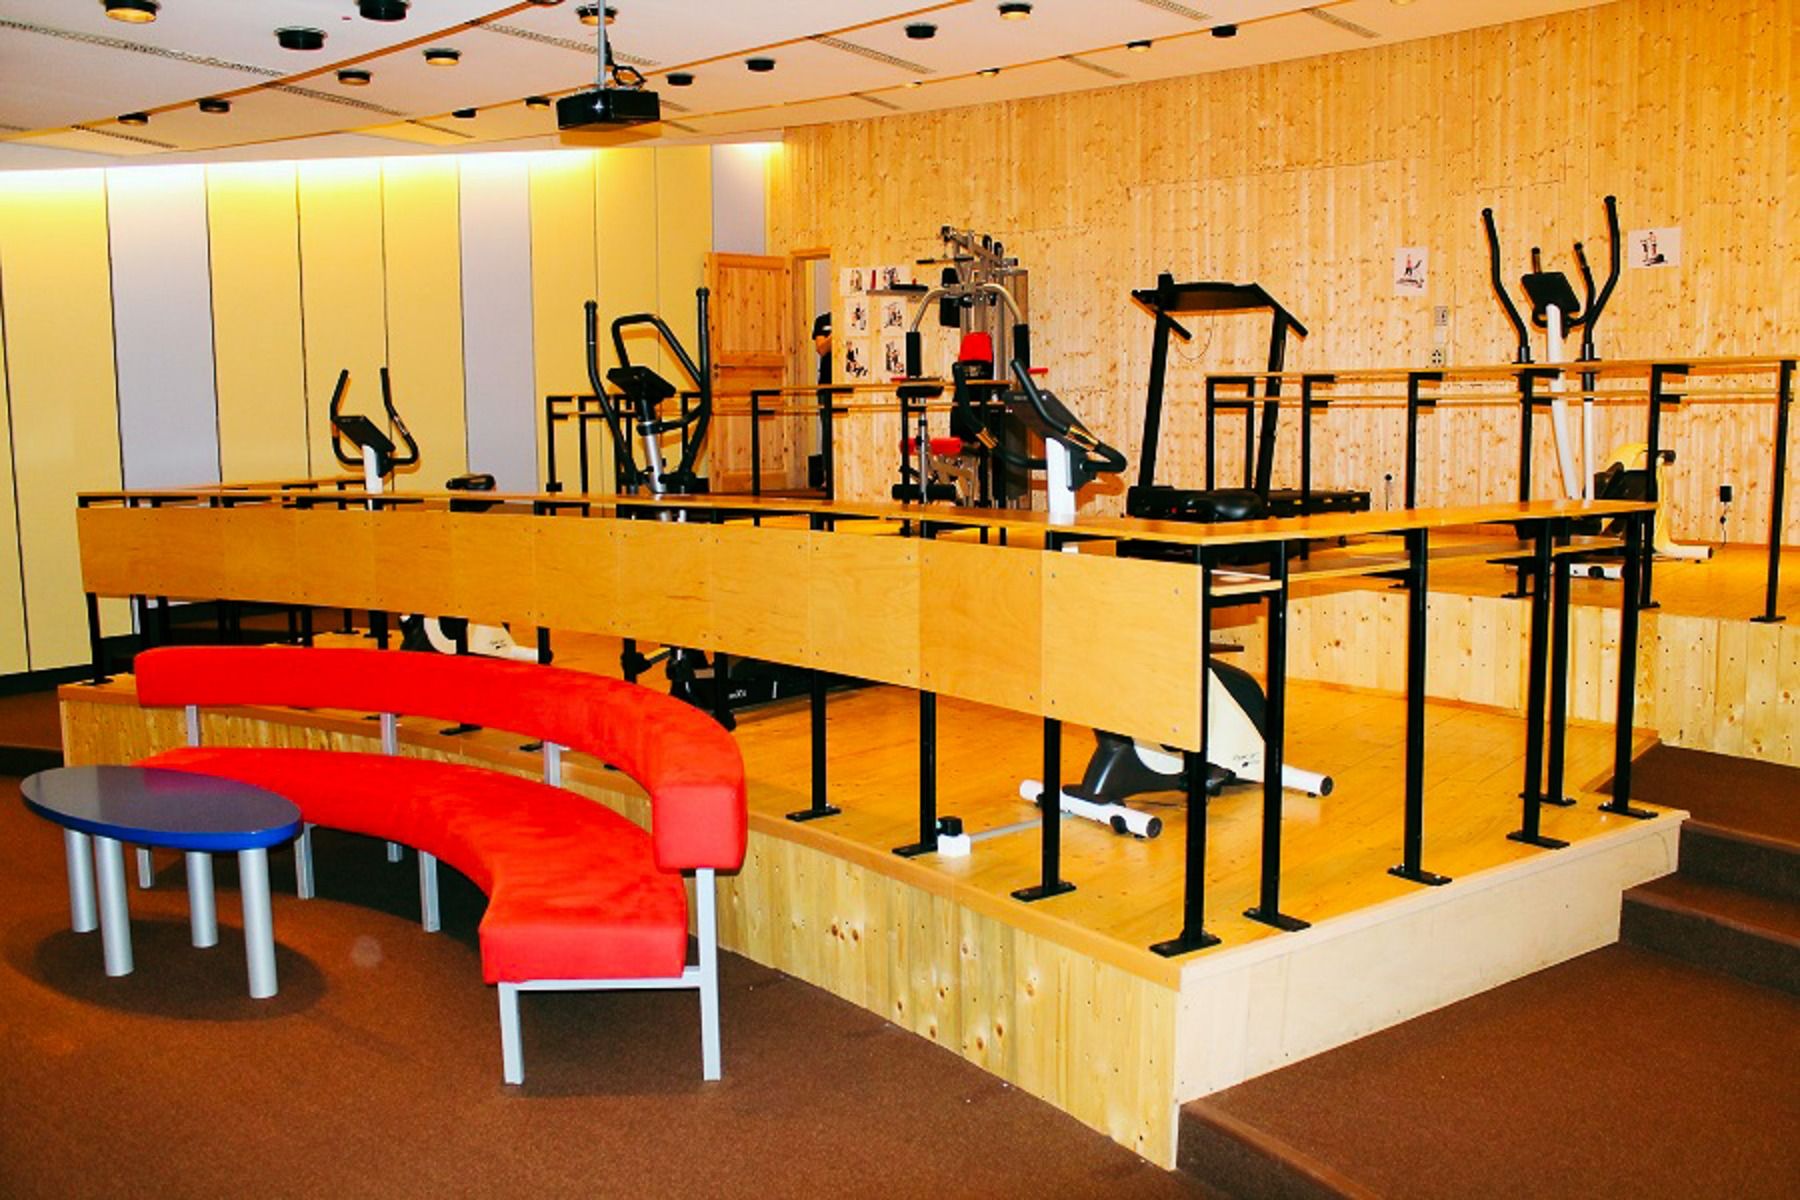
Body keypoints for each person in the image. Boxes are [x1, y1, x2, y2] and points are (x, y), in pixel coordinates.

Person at [809, 312, 832, 488]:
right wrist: (836, 332)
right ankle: (828, 475)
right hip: (826, 384)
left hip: (849, 383)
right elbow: (821, 349)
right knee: (827, 430)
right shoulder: (823, 321)